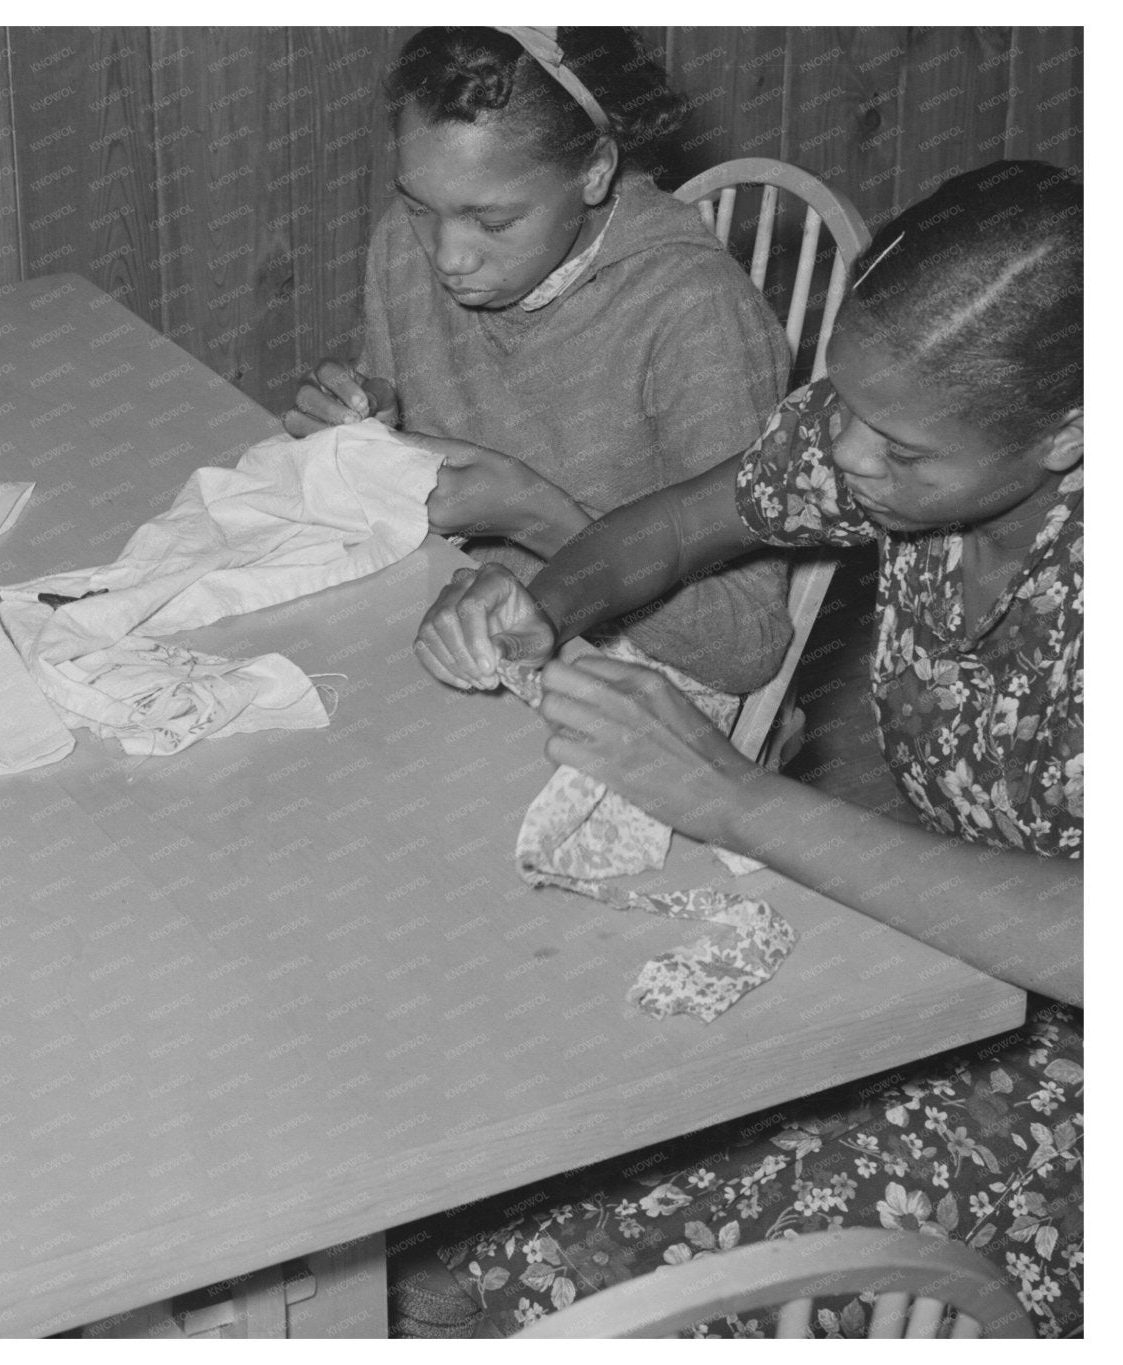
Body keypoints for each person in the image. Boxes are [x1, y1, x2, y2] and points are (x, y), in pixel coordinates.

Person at [401, 161, 1082, 1337]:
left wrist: (733, 799)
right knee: (548, 1142)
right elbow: (679, 524)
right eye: (842, 403)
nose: (852, 461)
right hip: (973, 957)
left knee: (640, 1235)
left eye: (902, 451)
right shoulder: (886, 442)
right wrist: (543, 604)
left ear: (1069, 433)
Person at [287, 26, 793, 697]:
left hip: (636, 673)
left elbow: (743, 645)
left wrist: (533, 514)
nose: (448, 256)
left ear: (594, 171)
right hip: (446, 612)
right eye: (417, 207)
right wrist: (370, 427)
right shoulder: (405, 249)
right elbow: (395, 494)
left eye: (493, 223)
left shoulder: (694, 314)